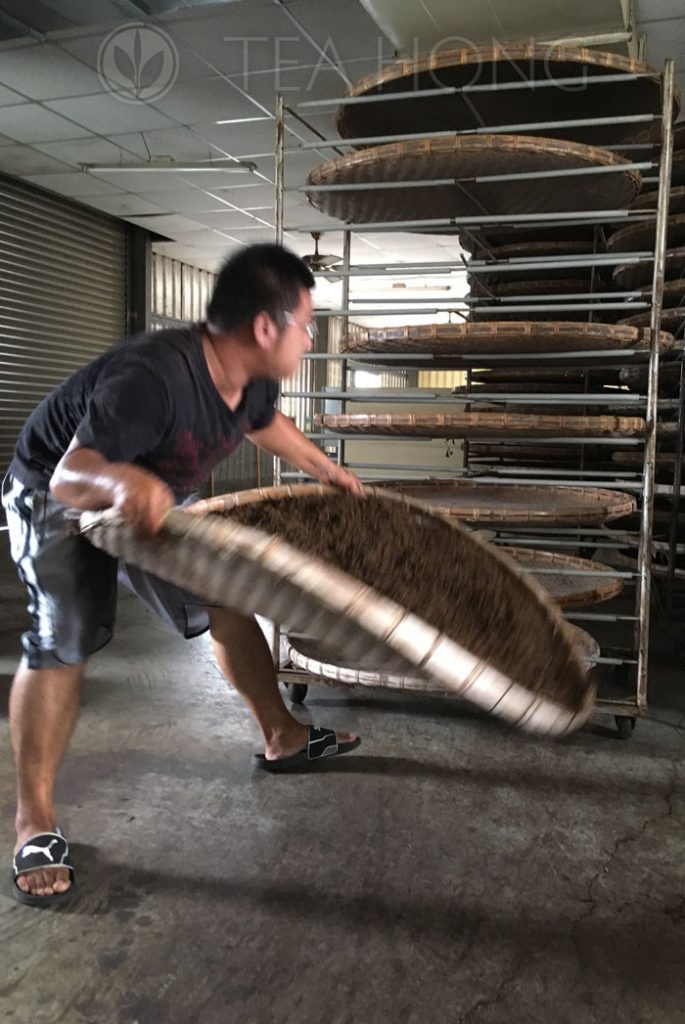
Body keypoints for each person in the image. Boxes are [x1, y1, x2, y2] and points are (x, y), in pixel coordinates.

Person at [2, 243, 364, 907]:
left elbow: (265, 423)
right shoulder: (154, 376)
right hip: (58, 491)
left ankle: (282, 736)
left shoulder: (253, 377)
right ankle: (34, 822)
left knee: (226, 599)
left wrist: (327, 471)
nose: (309, 337)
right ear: (264, 327)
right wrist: (124, 479)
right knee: (65, 639)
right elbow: (71, 473)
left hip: (151, 492)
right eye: (306, 324)